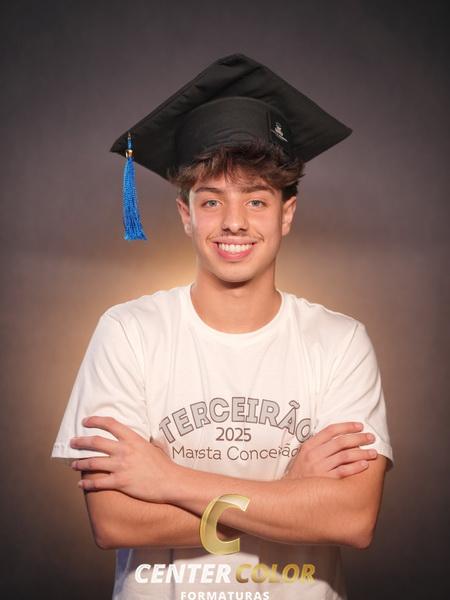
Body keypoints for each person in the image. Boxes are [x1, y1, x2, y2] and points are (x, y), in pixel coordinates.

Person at [51, 53, 394, 600]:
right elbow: (115, 522)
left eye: (256, 200)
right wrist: (290, 493)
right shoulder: (128, 332)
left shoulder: (340, 342)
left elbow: (351, 519)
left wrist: (169, 481)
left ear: (286, 213)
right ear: (186, 215)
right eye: (211, 201)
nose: (234, 222)